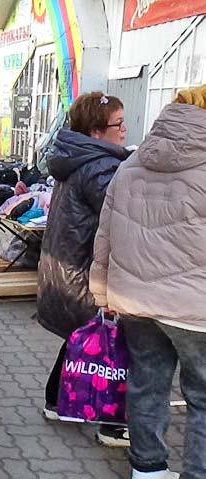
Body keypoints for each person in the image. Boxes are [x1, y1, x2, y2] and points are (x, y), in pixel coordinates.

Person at [90, 85, 206, 479]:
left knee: (147, 386)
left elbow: (104, 233)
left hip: (135, 299)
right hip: (195, 311)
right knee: (202, 399)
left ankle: (148, 470)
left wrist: (103, 291)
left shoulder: (133, 162)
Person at [36, 91, 131, 446]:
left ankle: (55, 401)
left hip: (65, 269)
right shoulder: (100, 167)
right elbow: (122, 220)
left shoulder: (77, 158)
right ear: (96, 132)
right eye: (118, 124)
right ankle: (112, 423)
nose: (124, 130)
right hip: (84, 272)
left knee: (83, 338)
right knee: (115, 345)